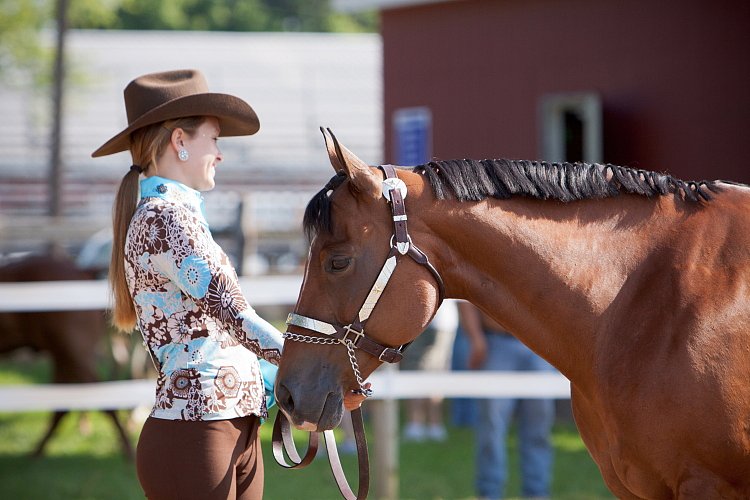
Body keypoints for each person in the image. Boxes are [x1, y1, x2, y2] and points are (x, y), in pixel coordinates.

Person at [93, 69, 365, 500]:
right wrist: (323, 367)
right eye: (214, 140)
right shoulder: (165, 219)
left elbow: (223, 339)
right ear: (180, 142)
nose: (219, 154)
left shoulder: (175, 216)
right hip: (197, 432)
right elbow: (235, 315)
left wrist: (305, 385)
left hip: (224, 428)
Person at [458, 301, 555, 500]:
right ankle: (489, 493)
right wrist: (476, 339)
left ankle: (537, 492)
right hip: (496, 344)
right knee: (491, 427)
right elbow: (465, 300)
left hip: (539, 346)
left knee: (539, 426)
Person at [400, 300, 457, 442]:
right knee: (434, 372)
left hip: (424, 321)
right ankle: (432, 425)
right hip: (442, 323)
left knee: (417, 371)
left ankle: (418, 424)